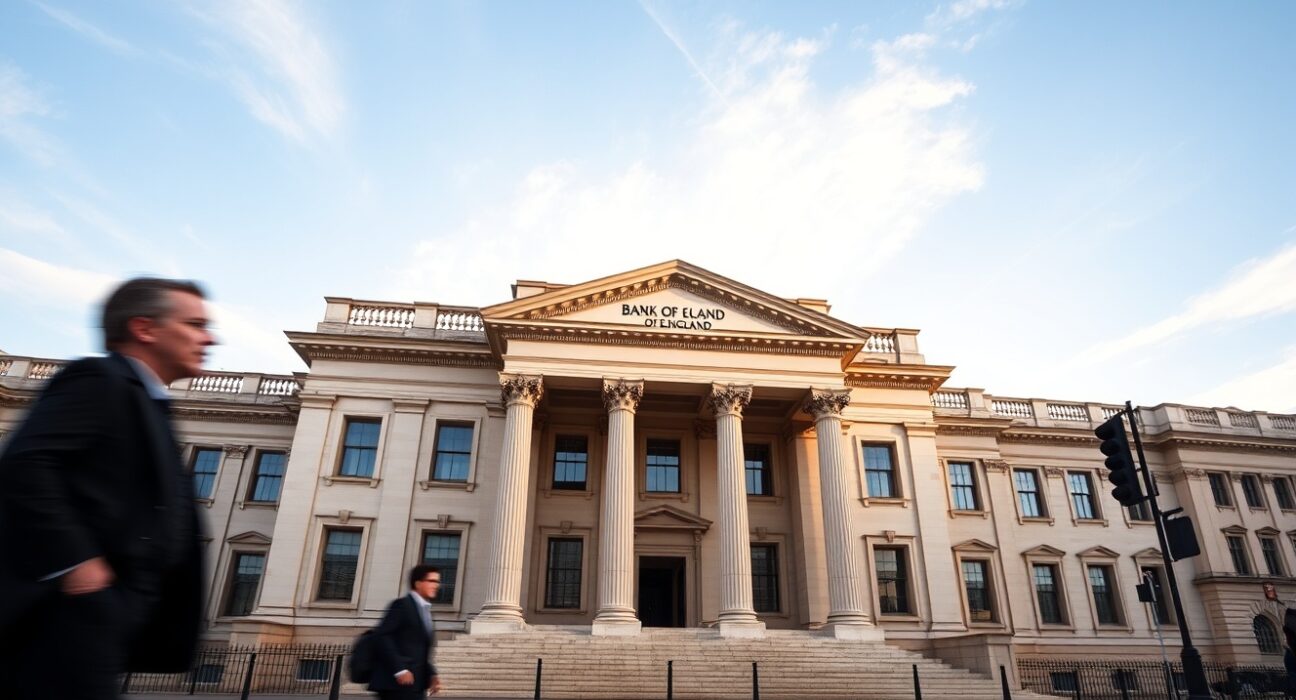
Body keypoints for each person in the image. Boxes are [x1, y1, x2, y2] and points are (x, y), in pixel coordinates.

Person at [0, 278, 216, 700]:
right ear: (145, 328)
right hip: (66, 615)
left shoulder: (150, 404)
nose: (209, 338)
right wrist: (78, 565)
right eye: (194, 324)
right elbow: (25, 464)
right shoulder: (99, 378)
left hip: (111, 618)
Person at [370, 564, 444, 699]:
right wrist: (400, 669)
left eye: (437, 582)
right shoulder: (402, 605)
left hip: (416, 685)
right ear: (418, 583)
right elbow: (382, 637)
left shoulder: (426, 612)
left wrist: (432, 674)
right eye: (432, 581)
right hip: (396, 685)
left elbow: (419, 650)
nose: (436, 585)